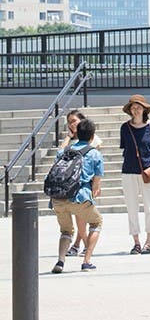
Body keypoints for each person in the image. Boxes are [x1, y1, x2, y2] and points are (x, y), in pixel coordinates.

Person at [50, 116, 104, 273]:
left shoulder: (66, 151)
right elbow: (96, 185)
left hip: (59, 197)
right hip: (80, 196)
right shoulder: (94, 154)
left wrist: (68, 137)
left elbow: (59, 152)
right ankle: (86, 261)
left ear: (77, 134)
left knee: (66, 231)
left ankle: (60, 261)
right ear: (92, 136)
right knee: (96, 222)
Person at [119, 94, 150, 255]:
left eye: (138, 107)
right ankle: (136, 241)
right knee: (132, 207)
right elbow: (124, 147)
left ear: (144, 109)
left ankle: (148, 242)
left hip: (148, 171)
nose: (135, 110)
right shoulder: (124, 127)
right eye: (133, 108)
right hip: (129, 170)